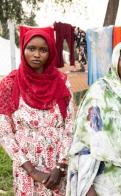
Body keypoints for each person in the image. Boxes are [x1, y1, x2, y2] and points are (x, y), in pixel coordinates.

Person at [67, 41, 121, 195]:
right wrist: (88, 187)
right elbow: (84, 142)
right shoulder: (100, 92)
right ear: (116, 62)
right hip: (106, 183)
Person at [0, 29, 74, 195]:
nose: (37, 54)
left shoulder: (61, 82)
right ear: (23, 49)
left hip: (57, 172)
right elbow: (4, 133)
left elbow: (70, 127)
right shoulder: (9, 85)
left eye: (43, 50)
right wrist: (32, 171)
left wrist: (61, 166)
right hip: (26, 171)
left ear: (51, 53)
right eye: (31, 48)